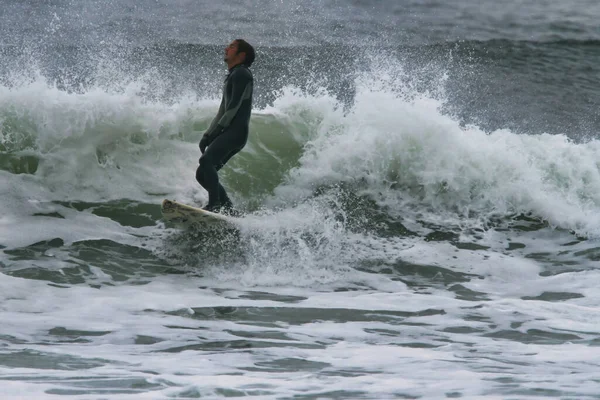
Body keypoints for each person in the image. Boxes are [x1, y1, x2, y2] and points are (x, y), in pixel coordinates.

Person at [196, 39, 255, 213]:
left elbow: (233, 109)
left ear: (241, 55)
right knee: (202, 174)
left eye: (232, 47)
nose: (226, 48)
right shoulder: (232, 75)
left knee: (206, 161)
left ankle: (214, 205)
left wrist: (216, 132)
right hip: (231, 132)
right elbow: (222, 110)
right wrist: (207, 135)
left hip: (236, 132)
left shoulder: (242, 74)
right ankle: (229, 209)